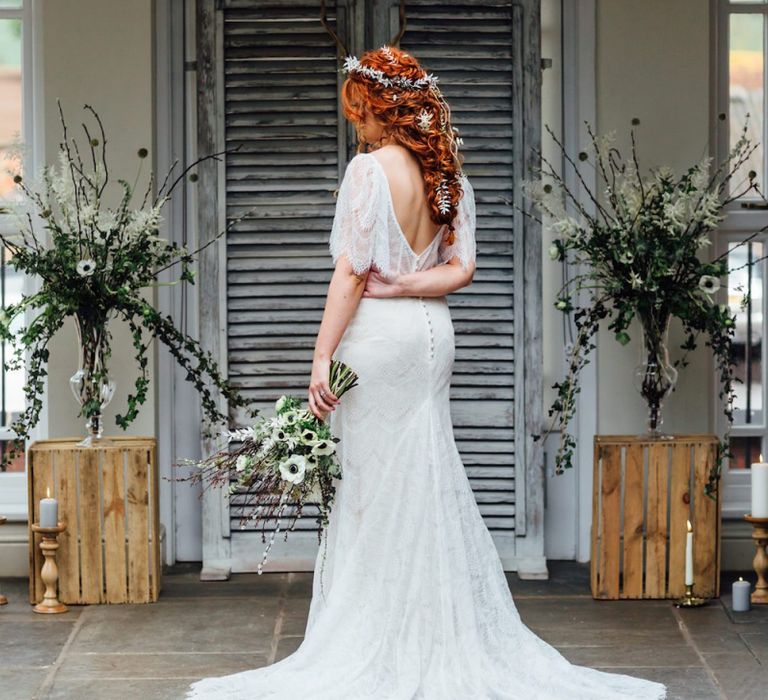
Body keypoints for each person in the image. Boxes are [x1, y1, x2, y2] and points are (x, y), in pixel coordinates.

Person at [187, 45, 667, 700]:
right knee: (425, 475)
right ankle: (434, 629)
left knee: (373, 490)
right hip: (434, 339)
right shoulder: (446, 175)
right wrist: (410, 285)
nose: (355, 123)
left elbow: (353, 271)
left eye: (358, 110)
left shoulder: (368, 171)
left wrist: (321, 354)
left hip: (381, 344)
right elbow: (460, 269)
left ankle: (383, 635)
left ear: (378, 105)